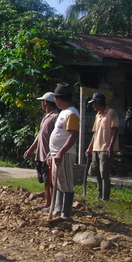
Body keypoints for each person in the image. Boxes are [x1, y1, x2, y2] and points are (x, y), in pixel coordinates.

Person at [48, 82, 80, 221]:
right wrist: (52, 152)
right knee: (58, 182)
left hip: (65, 154)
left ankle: (65, 213)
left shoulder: (72, 113)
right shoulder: (63, 113)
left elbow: (73, 135)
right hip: (57, 153)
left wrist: (61, 152)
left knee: (66, 183)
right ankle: (57, 209)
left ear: (59, 99)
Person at [24, 92, 59, 212]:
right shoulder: (46, 117)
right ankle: (47, 202)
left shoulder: (55, 117)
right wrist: (31, 149)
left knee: (50, 181)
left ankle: (52, 204)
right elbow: (39, 136)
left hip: (49, 155)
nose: (41, 104)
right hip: (41, 154)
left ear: (45, 103)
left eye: (42, 102)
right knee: (45, 181)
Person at [85, 93, 119, 201]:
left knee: (104, 173)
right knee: (96, 172)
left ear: (98, 103)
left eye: (94, 104)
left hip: (105, 148)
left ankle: (105, 197)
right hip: (96, 147)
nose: (93, 106)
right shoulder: (98, 115)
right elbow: (95, 133)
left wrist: (110, 146)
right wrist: (90, 147)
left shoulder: (111, 113)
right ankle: (99, 194)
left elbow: (114, 130)